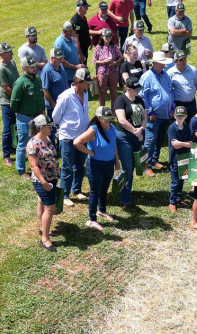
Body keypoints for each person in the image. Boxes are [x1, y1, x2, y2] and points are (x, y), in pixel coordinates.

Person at [75, 106, 120, 231]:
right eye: (106, 118)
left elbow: (113, 144)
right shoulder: (93, 130)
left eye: (110, 118)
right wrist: (89, 152)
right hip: (96, 166)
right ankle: (91, 219)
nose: (108, 121)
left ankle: (102, 210)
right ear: (99, 118)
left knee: (104, 189)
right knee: (95, 191)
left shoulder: (112, 128)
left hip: (109, 164)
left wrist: (116, 160)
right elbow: (77, 142)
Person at [52, 68, 92, 207]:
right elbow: (55, 117)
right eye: (87, 83)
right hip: (68, 137)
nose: (89, 85)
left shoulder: (85, 93)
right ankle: (64, 195)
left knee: (80, 165)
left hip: (82, 137)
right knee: (68, 167)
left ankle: (77, 190)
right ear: (79, 82)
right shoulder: (65, 96)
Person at [26, 114, 61, 252]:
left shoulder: (47, 139)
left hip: (52, 177)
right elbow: (34, 166)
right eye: (49, 126)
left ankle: (42, 228)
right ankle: (45, 239)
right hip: (43, 180)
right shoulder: (33, 144)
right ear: (41, 127)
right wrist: (44, 183)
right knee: (50, 208)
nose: (51, 128)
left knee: (41, 201)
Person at [113, 76, 147, 209]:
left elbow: (145, 117)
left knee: (132, 166)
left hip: (137, 136)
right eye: (136, 89)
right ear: (128, 88)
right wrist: (135, 131)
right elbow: (121, 120)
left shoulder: (139, 99)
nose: (138, 91)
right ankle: (125, 198)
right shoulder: (121, 100)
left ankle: (124, 189)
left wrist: (141, 129)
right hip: (124, 137)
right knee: (127, 167)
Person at [140, 51, 175, 174]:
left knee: (159, 139)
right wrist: (149, 113)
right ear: (154, 63)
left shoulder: (165, 76)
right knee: (150, 140)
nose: (163, 66)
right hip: (152, 116)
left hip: (165, 115)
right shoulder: (146, 77)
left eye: (164, 64)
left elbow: (170, 92)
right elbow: (142, 97)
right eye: (161, 64)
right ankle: (146, 165)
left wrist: (172, 108)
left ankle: (154, 160)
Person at [10, 57, 44, 179]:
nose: (35, 68)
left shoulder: (37, 79)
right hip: (25, 118)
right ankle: (21, 169)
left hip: (37, 117)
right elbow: (13, 104)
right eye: (31, 67)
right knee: (23, 143)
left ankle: (37, 165)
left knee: (37, 142)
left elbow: (41, 96)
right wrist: (21, 113)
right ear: (24, 68)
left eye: (35, 66)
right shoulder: (20, 83)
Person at [0, 42, 20, 167]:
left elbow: (18, 79)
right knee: (7, 129)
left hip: (16, 99)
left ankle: (14, 148)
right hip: (7, 102)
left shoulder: (13, 63)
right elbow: (6, 88)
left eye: (11, 50)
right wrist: (17, 99)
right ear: (2, 54)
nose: (11, 53)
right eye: (9, 51)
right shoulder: (0, 69)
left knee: (15, 127)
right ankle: (6, 155)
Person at [167, 106, 194, 212]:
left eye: (182, 116)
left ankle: (178, 198)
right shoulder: (172, 128)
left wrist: (181, 143)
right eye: (178, 116)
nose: (180, 117)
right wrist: (185, 144)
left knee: (182, 179)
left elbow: (191, 144)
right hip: (175, 158)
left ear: (186, 116)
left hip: (185, 158)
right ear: (174, 116)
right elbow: (175, 145)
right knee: (175, 181)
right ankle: (172, 201)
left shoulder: (187, 128)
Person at [93, 28, 122, 107]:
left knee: (114, 92)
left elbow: (121, 57)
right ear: (102, 37)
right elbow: (94, 60)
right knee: (102, 92)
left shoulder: (114, 46)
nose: (108, 38)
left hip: (113, 71)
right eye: (106, 36)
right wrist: (103, 62)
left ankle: (114, 110)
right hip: (102, 72)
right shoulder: (98, 47)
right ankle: (102, 111)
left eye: (109, 36)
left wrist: (115, 63)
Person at [168, 50, 197, 117]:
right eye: (181, 60)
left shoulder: (193, 69)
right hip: (179, 103)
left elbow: (196, 85)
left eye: (185, 59)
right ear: (176, 61)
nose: (184, 62)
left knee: (192, 123)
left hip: (192, 102)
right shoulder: (170, 73)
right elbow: (168, 90)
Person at [41, 48, 68, 112]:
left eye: (61, 58)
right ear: (52, 58)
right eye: (59, 58)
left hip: (65, 103)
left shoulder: (60, 65)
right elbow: (45, 89)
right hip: (55, 106)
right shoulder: (47, 70)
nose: (61, 60)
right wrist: (52, 103)